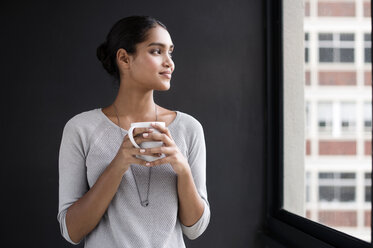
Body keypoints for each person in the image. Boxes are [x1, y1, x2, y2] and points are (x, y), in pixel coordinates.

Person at [57, 15, 210, 247]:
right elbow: (72, 231)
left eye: (170, 52)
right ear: (124, 59)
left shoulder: (189, 128)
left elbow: (195, 229)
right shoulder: (81, 129)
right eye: (156, 51)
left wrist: (182, 168)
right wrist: (119, 164)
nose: (170, 62)